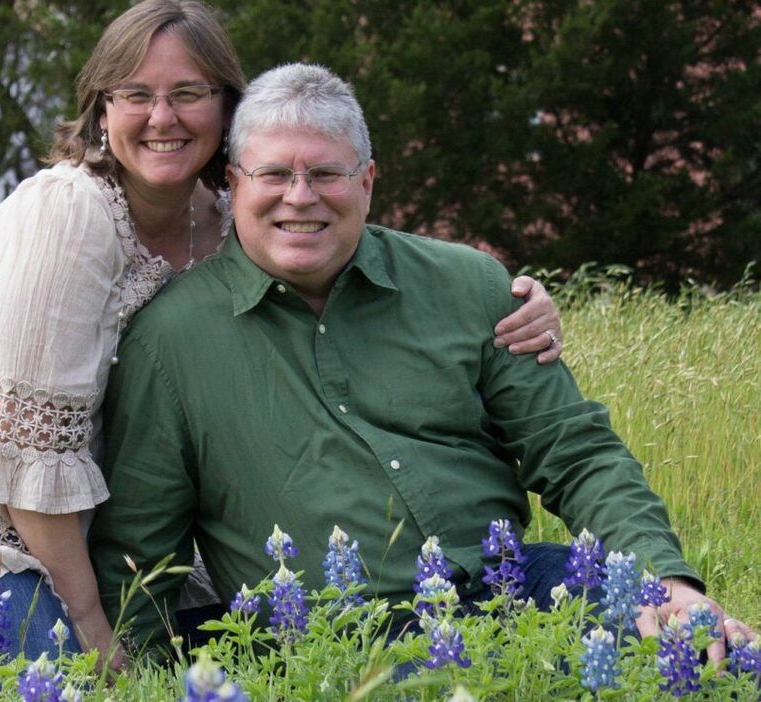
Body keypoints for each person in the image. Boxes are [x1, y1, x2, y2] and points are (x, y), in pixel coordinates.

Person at [0, 0, 560, 677]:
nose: (161, 117)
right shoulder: (66, 214)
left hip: (98, 528)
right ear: (101, 107)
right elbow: (25, 456)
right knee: (63, 681)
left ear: (226, 108)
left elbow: (333, 230)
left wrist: (501, 293)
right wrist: (92, 627)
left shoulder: (224, 216)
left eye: (188, 93)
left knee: (249, 650)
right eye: (135, 94)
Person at [89, 62, 756, 666]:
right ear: (234, 184)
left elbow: (575, 449)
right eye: (273, 175)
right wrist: (140, 672)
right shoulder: (170, 339)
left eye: (326, 174)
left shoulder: (468, 285)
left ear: (368, 181)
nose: (300, 196)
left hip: (509, 586)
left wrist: (669, 583)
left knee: (703, 651)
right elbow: (141, 549)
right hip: (334, 632)